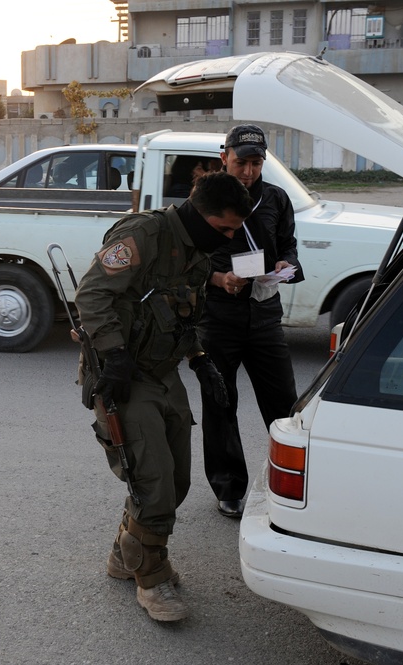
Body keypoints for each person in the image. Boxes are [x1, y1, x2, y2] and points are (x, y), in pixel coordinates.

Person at [74, 171, 254, 622]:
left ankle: (125, 554)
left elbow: (178, 313)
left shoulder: (196, 249)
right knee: (152, 484)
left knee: (175, 481)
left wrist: (199, 359)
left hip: (162, 371)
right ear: (198, 214)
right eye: (225, 229)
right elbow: (91, 295)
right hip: (123, 375)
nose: (230, 239)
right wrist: (113, 358)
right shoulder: (143, 235)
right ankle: (151, 579)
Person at [198, 124, 305, 519]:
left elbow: (289, 244)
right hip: (217, 317)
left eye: (256, 163)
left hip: (264, 317)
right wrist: (217, 278)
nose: (247, 171)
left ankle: (295, 479)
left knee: (285, 406)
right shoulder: (203, 201)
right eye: (241, 162)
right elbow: (186, 258)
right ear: (223, 156)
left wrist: (286, 264)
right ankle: (228, 488)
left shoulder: (276, 199)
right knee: (220, 404)